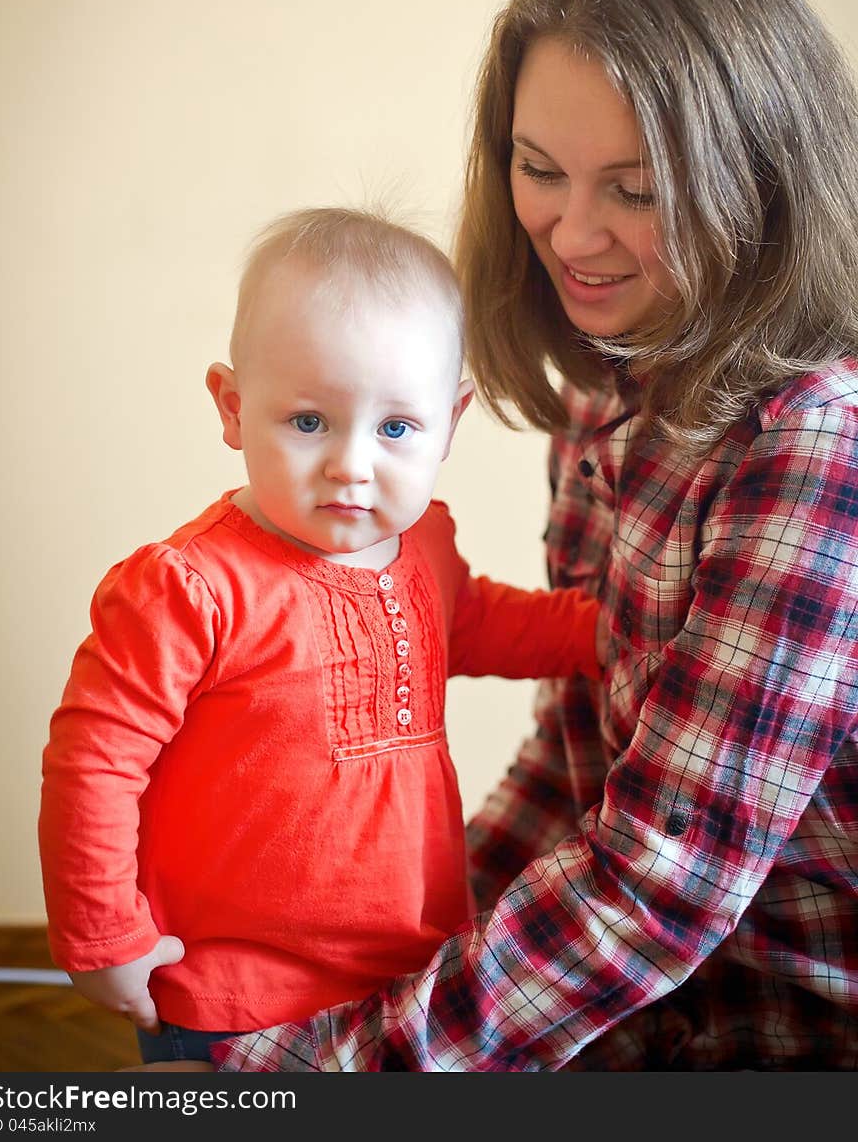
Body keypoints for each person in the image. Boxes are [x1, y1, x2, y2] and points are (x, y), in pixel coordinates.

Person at [191, 0, 858, 1072]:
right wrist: (389, 958)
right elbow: (573, 767)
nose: (571, 232)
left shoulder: (819, 450)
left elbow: (655, 885)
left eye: (636, 191)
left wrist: (327, 1069)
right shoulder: (614, 389)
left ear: (755, 184)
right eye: (537, 170)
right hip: (641, 1013)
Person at [38, 205, 607, 1064]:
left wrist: (611, 629)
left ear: (449, 422)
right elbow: (95, 763)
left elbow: (482, 625)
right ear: (233, 408)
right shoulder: (188, 588)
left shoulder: (425, 547)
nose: (351, 464)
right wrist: (101, 933)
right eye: (309, 422)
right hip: (229, 989)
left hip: (407, 970)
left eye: (395, 428)